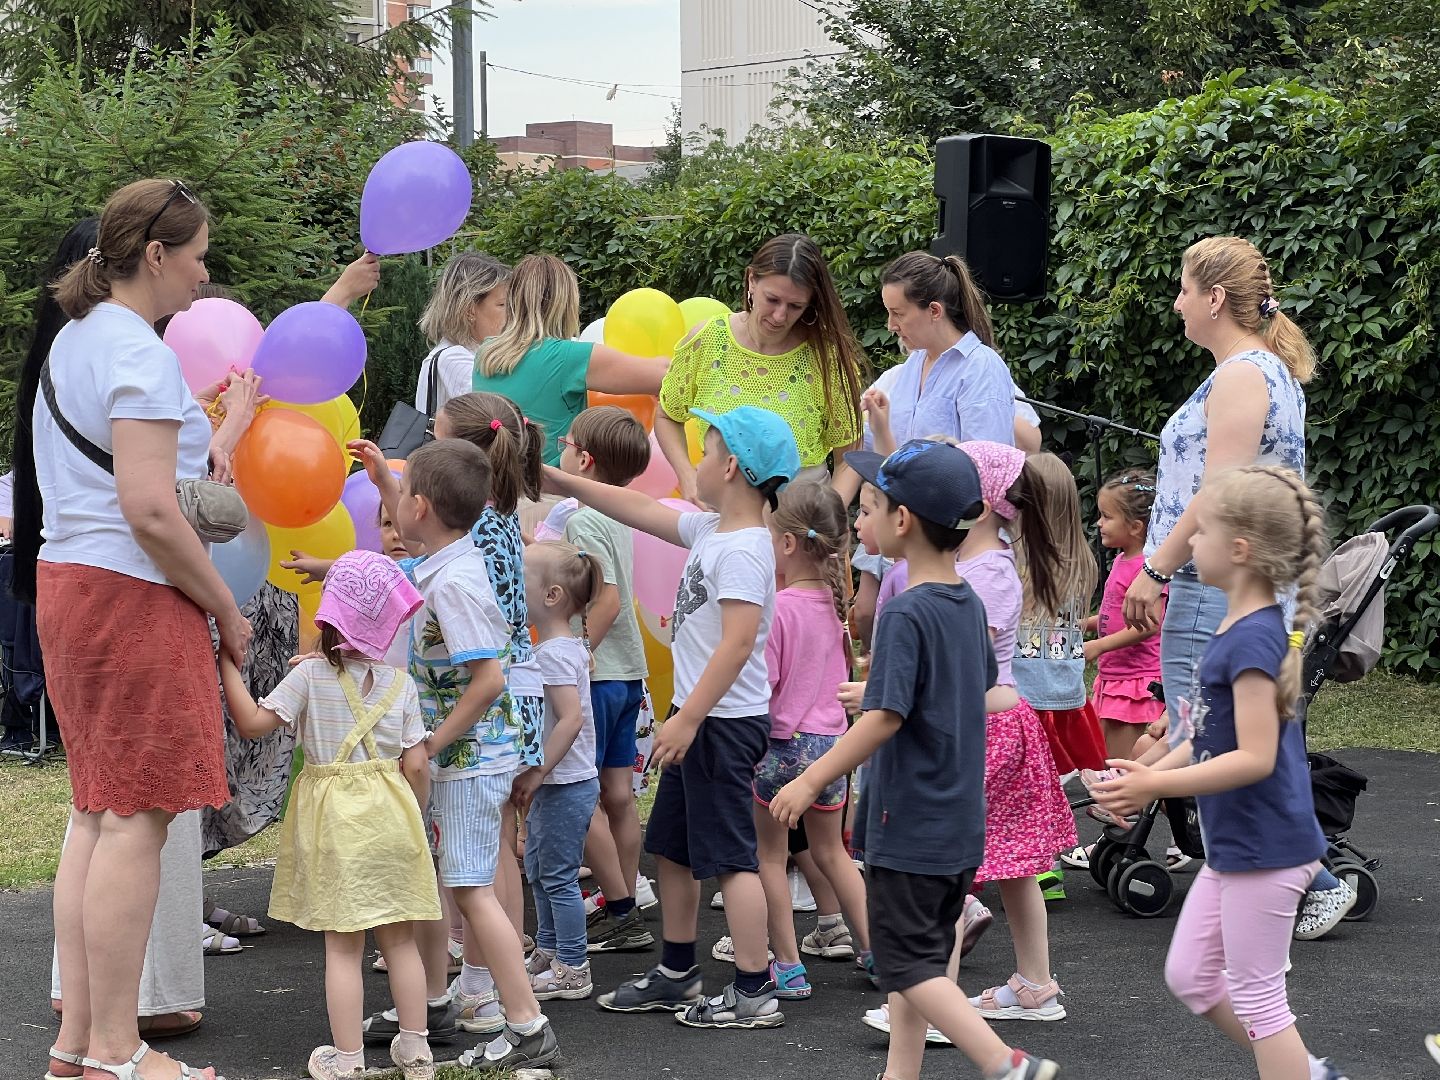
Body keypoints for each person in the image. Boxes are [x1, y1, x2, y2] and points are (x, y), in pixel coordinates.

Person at [33, 179, 251, 1080]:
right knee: (133, 825)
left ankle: (80, 1046)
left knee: (97, 816)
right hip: (129, 597)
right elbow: (152, 512)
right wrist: (226, 606)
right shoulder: (140, 353)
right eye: (198, 256)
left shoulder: (77, 339)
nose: (206, 275)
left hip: (68, 587)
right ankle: (119, 1051)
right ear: (155, 256)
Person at [772, 438, 1059, 1080]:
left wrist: (812, 776)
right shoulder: (967, 605)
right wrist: (883, 689)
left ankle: (1002, 1061)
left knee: (905, 966)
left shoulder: (904, 612)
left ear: (903, 521)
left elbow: (885, 719)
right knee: (922, 959)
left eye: (869, 506)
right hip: (958, 821)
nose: (860, 520)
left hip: (911, 825)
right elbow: (974, 689)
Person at [1120, 236, 1351, 935]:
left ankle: (1312, 877)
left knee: (1219, 731)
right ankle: (1260, 872)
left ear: (1214, 298)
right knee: (1228, 730)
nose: (1178, 303)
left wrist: (1156, 566)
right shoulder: (1260, 370)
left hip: (1218, 584)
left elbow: (1220, 491)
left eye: (1185, 290)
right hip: (1232, 582)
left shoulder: (1244, 375)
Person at [544, 404, 800, 1029]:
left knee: (732, 859)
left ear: (732, 467)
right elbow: (640, 511)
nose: (697, 462)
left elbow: (739, 643)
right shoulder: (714, 530)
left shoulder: (740, 549)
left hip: (719, 723)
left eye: (706, 451)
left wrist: (687, 719)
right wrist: (562, 481)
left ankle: (752, 990)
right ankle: (678, 972)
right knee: (676, 852)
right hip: (699, 718)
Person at [1094, 465, 1349, 1080]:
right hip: (1240, 845)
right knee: (1191, 977)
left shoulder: (1255, 641)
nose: (1188, 544)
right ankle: (1307, 1072)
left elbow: (1254, 758)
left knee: (1262, 1002)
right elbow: (1208, 736)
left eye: (1200, 532)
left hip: (1268, 848)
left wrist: (1152, 785)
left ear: (1238, 550)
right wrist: (1147, 767)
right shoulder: (1235, 628)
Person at [351, 437, 559, 1071]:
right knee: (444, 880)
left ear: (420, 506)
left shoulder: (455, 585)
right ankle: (437, 1000)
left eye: (399, 497)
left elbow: (489, 678)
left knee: (470, 889)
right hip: (458, 759)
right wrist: (387, 481)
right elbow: (416, 533)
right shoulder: (443, 556)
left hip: (469, 760)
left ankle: (528, 1026)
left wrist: (433, 743)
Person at [866, 443, 1078, 1025]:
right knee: (1010, 868)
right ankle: (1035, 984)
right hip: (994, 723)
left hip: (976, 729)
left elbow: (951, 669)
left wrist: (882, 694)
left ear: (978, 507)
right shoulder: (984, 569)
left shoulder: (985, 577)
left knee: (947, 870)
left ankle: (931, 1004)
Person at [218, 550, 439, 1080]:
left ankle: (348, 1059)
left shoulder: (310, 677)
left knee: (343, 948)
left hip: (337, 825)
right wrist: (417, 813)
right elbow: (416, 764)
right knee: (401, 940)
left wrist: (223, 662)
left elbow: (251, 723)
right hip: (392, 817)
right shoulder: (401, 683)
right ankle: (417, 1050)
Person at [535, 407, 656, 954]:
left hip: (600, 674)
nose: (559, 446)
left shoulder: (582, 518)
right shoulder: (621, 515)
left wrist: (580, 651)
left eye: (566, 442)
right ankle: (623, 899)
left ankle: (620, 907)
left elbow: (603, 597)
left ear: (583, 459)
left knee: (581, 796)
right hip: (628, 672)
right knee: (618, 796)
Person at [750, 481, 872, 1001]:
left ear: (786, 543)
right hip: (830, 747)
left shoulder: (777, 608)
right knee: (832, 853)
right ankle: (876, 952)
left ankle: (789, 966)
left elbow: (767, 681)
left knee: (770, 857)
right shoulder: (832, 604)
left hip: (780, 748)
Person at [655, 234, 867, 505]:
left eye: (795, 306)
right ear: (752, 280)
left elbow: (849, 454)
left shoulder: (827, 357)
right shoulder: (708, 339)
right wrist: (686, 476)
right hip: (718, 515)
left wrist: (831, 520)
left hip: (801, 516)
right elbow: (667, 414)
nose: (780, 316)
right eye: (773, 299)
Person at [837, 251, 1020, 504]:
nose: (890, 325)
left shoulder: (980, 368)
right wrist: (879, 428)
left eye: (898, 313)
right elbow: (896, 466)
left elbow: (987, 475)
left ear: (934, 310)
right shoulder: (914, 363)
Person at [511, 541, 605, 1000]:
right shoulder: (556, 647)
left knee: (559, 876)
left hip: (564, 781)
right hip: (559, 781)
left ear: (551, 596)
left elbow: (570, 718)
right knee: (540, 868)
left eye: (521, 578)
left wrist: (536, 770)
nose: (511, 585)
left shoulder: (553, 654)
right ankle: (550, 950)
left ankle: (573, 964)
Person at [472, 254, 668, 468]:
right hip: (552, 492)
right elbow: (666, 374)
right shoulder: (567, 357)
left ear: (513, 299)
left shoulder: (486, 352)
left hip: (499, 487)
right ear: (566, 302)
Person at [1086, 470, 1166, 760]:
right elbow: (1119, 614)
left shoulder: (1146, 567)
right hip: (1115, 675)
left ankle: (1123, 805)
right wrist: (1089, 623)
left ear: (1134, 526)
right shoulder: (1123, 559)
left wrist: (1097, 646)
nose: (1099, 523)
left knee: (1120, 761)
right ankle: (1110, 802)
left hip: (1134, 679)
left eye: (1107, 517)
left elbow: (1149, 625)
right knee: (1102, 755)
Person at [415, 252, 512, 413]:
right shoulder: (454, 359)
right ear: (469, 310)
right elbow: (504, 412)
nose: (511, 313)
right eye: (502, 305)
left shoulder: (471, 353)